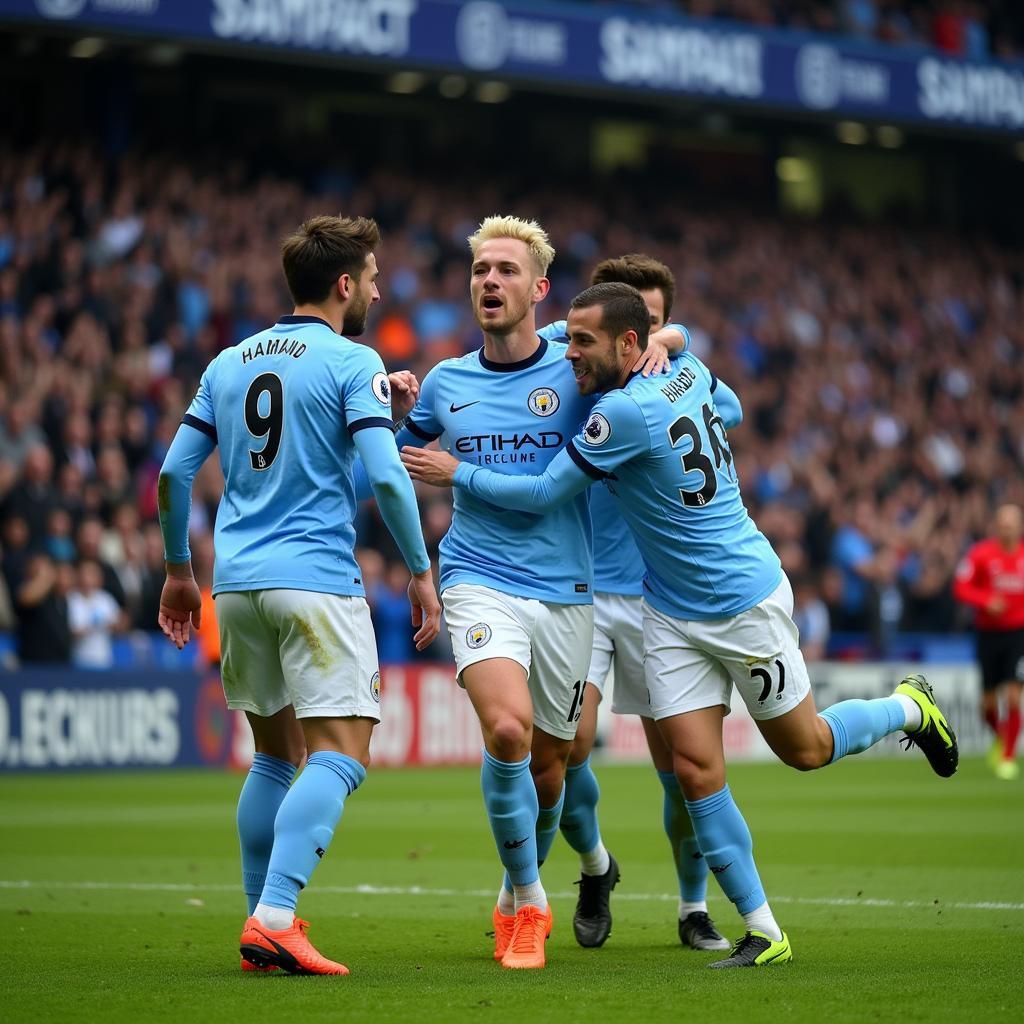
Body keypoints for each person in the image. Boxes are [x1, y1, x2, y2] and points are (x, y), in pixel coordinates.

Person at [402, 281, 958, 969]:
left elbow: (544, 491)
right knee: (694, 770)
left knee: (806, 748)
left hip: (741, 598)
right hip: (664, 607)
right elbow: (690, 358)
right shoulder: (682, 368)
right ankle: (762, 929)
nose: (567, 354)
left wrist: (458, 470)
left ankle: (908, 707)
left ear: (628, 344)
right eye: (566, 338)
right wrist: (675, 337)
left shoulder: (621, 415)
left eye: (581, 343)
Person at [391, 217, 686, 970]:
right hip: (478, 577)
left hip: (568, 591)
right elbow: (394, 462)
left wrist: (667, 341)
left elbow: (669, 351)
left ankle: (537, 880)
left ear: (540, 291)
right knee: (509, 734)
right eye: (481, 269)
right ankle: (527, 899)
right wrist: (381, 407)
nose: (490, 281)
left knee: (557, 760)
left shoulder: (575, 362)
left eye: (507, 271)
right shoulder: (448, 382)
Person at [156, 214, 441, 976]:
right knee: (342, 755)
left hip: (238, 585)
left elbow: (173, 474)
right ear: (345, 284)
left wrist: (179, 569)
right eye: (374, 277)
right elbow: (385, 475)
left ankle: (258, 921)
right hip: (314, 580)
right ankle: (278, 914)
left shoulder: (230, 360)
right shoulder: (352, 360)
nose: (378, 287)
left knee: (274, 759)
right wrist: (419, 568)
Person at [554, 254, 729, 952]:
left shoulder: (671, 382)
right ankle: (596, 865)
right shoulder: (576, 377)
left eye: (660, 321)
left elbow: (728, 408)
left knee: (681, 770)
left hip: (661, 599)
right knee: (564, 747)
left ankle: (693, 908)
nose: (652, 335)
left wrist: (678, 342)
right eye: (645, 326)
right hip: (586, 593)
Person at [953, 503, 1024, 780]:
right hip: (988, 635)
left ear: (1019, 526)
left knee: (1014, 696)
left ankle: (1007, 757)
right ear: (996, 525)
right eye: (1002, 523)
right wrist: (985, 601)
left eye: (1012, 523)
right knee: (988, 705)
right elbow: (960, 587)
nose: (1007, 528)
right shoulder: (980, 554)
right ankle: (1003, 737)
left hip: (1019, 634)